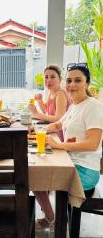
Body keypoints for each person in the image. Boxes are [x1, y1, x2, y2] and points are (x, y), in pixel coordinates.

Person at [35, 64, 103, 229]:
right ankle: (53, 215)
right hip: (70, 161)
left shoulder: (93, 106)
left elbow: (93, 144)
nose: (72, 85)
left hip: (85, 169)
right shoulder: (74, 105)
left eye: (78, 81)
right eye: (69, 81)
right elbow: (58, 125)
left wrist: (60, 145)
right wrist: (38, 130)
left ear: (87, 84)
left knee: (35, 177)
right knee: (36, 170)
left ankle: (52, 218)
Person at [29, 64, 71, 141]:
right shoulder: (52, 93)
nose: (48, 80)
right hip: (52, 130)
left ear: (60, 79)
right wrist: (40, 101)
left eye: (53, 77)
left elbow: (58, 118)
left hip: (59, 135)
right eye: (46, 77)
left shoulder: (60, 94)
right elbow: (46, 112)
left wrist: (36, 114)